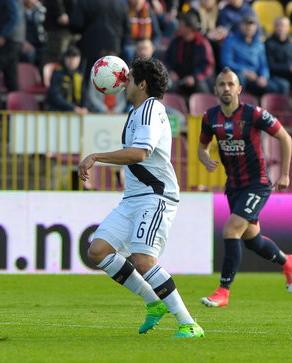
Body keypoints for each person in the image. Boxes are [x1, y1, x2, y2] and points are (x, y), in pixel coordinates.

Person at [77, 57, 204, 338]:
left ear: (143, 84)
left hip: (155, 197)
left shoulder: (149, 110)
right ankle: (153, 303)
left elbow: (139, 154)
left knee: (143, 259)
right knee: (98, 251)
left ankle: (189, 323)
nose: (124, 81)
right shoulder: (137, 111)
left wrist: (96, 156)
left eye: (130, 77)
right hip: (134, 198)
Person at [197, 67, 292, 308]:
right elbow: (202, 146)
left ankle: (223, 291)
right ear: (215, 89)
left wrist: (284, 174)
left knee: (231, 230)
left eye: (230, 84)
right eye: (221, 84)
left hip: (257, 184)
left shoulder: (254, 114)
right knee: (252, 240)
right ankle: (288, 262)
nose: (226, 88)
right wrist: (203, 158)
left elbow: (285, 137)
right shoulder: (209, 117)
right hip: (234, 186)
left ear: (239, 89)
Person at [221, 14, 289, 96]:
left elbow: (263, 64)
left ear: (256, 27)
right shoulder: (230, 41)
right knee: (239, 79)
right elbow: (226, 63)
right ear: (240, 25)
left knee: (283, 85)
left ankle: (277, 108)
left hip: (256, 78)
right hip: (240, 75)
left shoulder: (259, 44)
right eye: (246, 24)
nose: (249, 27)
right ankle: (237, 106)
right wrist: (244, 71)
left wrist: (263, 76)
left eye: (252, 25)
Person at [0, 0, 25, 110]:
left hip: (8, 42)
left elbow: (15, 16)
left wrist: (3, 35)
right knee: (11, 78)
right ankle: (17, 113)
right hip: (15, 41)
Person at [45, 45, 88, 114]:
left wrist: (85, 107)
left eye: (75, 58)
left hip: (76, 112)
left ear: (79, 60)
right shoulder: (57, 73)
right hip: (59, 111)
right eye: (69, 58)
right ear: (64, 59)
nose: (72, 61)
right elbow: (55, 96)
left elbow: (84, 95)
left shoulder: (79, 76)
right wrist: (72, 107)